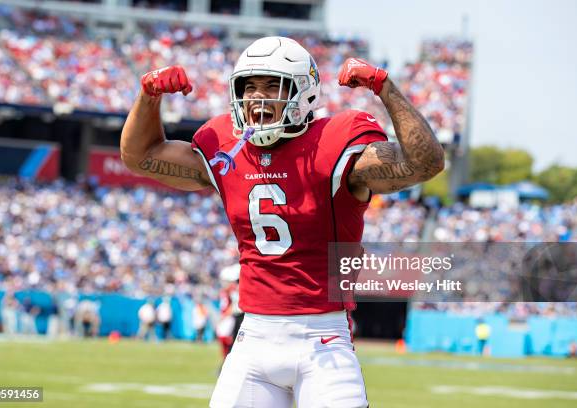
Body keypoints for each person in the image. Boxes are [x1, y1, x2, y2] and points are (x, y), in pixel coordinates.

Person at [121, 36, 444, 408]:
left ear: (303, 92)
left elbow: (425, 163)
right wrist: (148, 96)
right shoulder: (226, 146)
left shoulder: (334, 142)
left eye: (274, 86)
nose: (259, 98)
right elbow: (140, 156)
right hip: (254, 338)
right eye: (250, 88)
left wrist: (384, 87)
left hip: (323, 342)